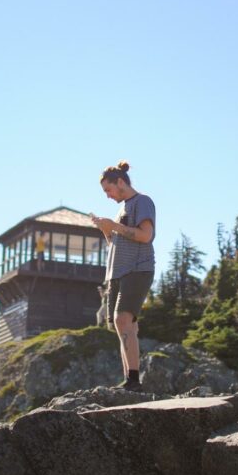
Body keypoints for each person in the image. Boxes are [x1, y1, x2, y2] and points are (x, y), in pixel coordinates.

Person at [90, 160, 155, 391]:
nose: (107, 195)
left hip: (137, 269)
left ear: (120, 182)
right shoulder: (121, 209)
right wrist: (107, 230)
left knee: (122, 320)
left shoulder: (142, 201)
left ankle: (134, 380)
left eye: (108, 189)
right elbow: (118, 243)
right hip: (117, 272)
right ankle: (129, 378)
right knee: (122, 326)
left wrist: (114, 226)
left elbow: (146, 236)